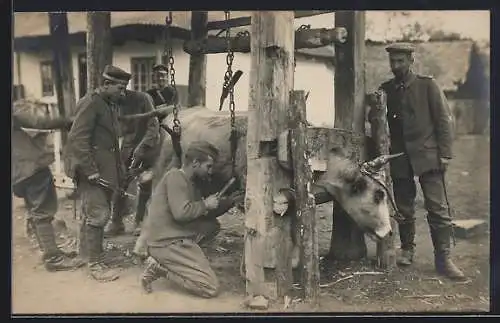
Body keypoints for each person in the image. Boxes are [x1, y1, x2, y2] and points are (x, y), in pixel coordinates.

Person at [378, 42, 465, 280]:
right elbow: (377, 118)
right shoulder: (386, 90)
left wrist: (445, 153)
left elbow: (444, 121)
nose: (396, 66)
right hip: (400, 157)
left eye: (400, 61)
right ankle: (407, 249)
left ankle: (443, 259)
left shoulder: (428, 86)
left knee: (437, 208)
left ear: (411, 60)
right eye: (393, 61)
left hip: (428, 155)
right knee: (404, 207)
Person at [139, 141, 244, 297]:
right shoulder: (175, 176)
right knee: (209, 287)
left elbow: (203, 214)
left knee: (211, 226)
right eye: (208, 166)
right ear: (195, 163)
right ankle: (161, 268)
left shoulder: (191, 183)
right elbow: (181, 214)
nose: (210, 171)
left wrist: (227, 203)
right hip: (166, 242)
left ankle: (185, 262)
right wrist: (205, 204)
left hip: (176, 235)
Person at [63, 65, 131, 282]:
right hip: (90, 170)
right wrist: (90, 170)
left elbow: (110, 143)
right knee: (98, 214)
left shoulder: (108, 104)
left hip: (104, 168)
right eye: (120, 88)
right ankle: (95, 264)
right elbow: (77, 138)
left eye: (124, 89)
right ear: (106, 84)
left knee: (93, 212)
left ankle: (86, 255)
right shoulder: (91, 103)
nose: (123, 93)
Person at [12, 99, 84, 272]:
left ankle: (51, 252)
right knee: (43, 212)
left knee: (36, 212)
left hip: (19, 170)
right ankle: (53, 258)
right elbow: (38, 122)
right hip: (31, 167)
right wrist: (69, 121)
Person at [103, 89, 161, 237]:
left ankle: (140, 222)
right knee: (119, 184)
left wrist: (141, 148)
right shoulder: (110, 101)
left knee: (145, 185)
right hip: (126, 149)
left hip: (147, 148)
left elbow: (153, 127)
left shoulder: (143, 99)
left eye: (123, 87)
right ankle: (116, 222)